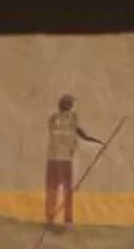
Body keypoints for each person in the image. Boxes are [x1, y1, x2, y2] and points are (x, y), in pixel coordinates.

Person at [43, 95, 102, 228]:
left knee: (52, 190)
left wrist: (96, 142)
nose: (72, 106)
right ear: (67, 106)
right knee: (66, 191)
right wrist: (97, 143)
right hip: (64, 160)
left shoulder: (53, 119)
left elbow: (79, 134)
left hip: (53, 159)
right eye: (70, 104)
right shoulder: (71, 119)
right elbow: (82, 135)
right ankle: (67, 221)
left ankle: (50, 220)